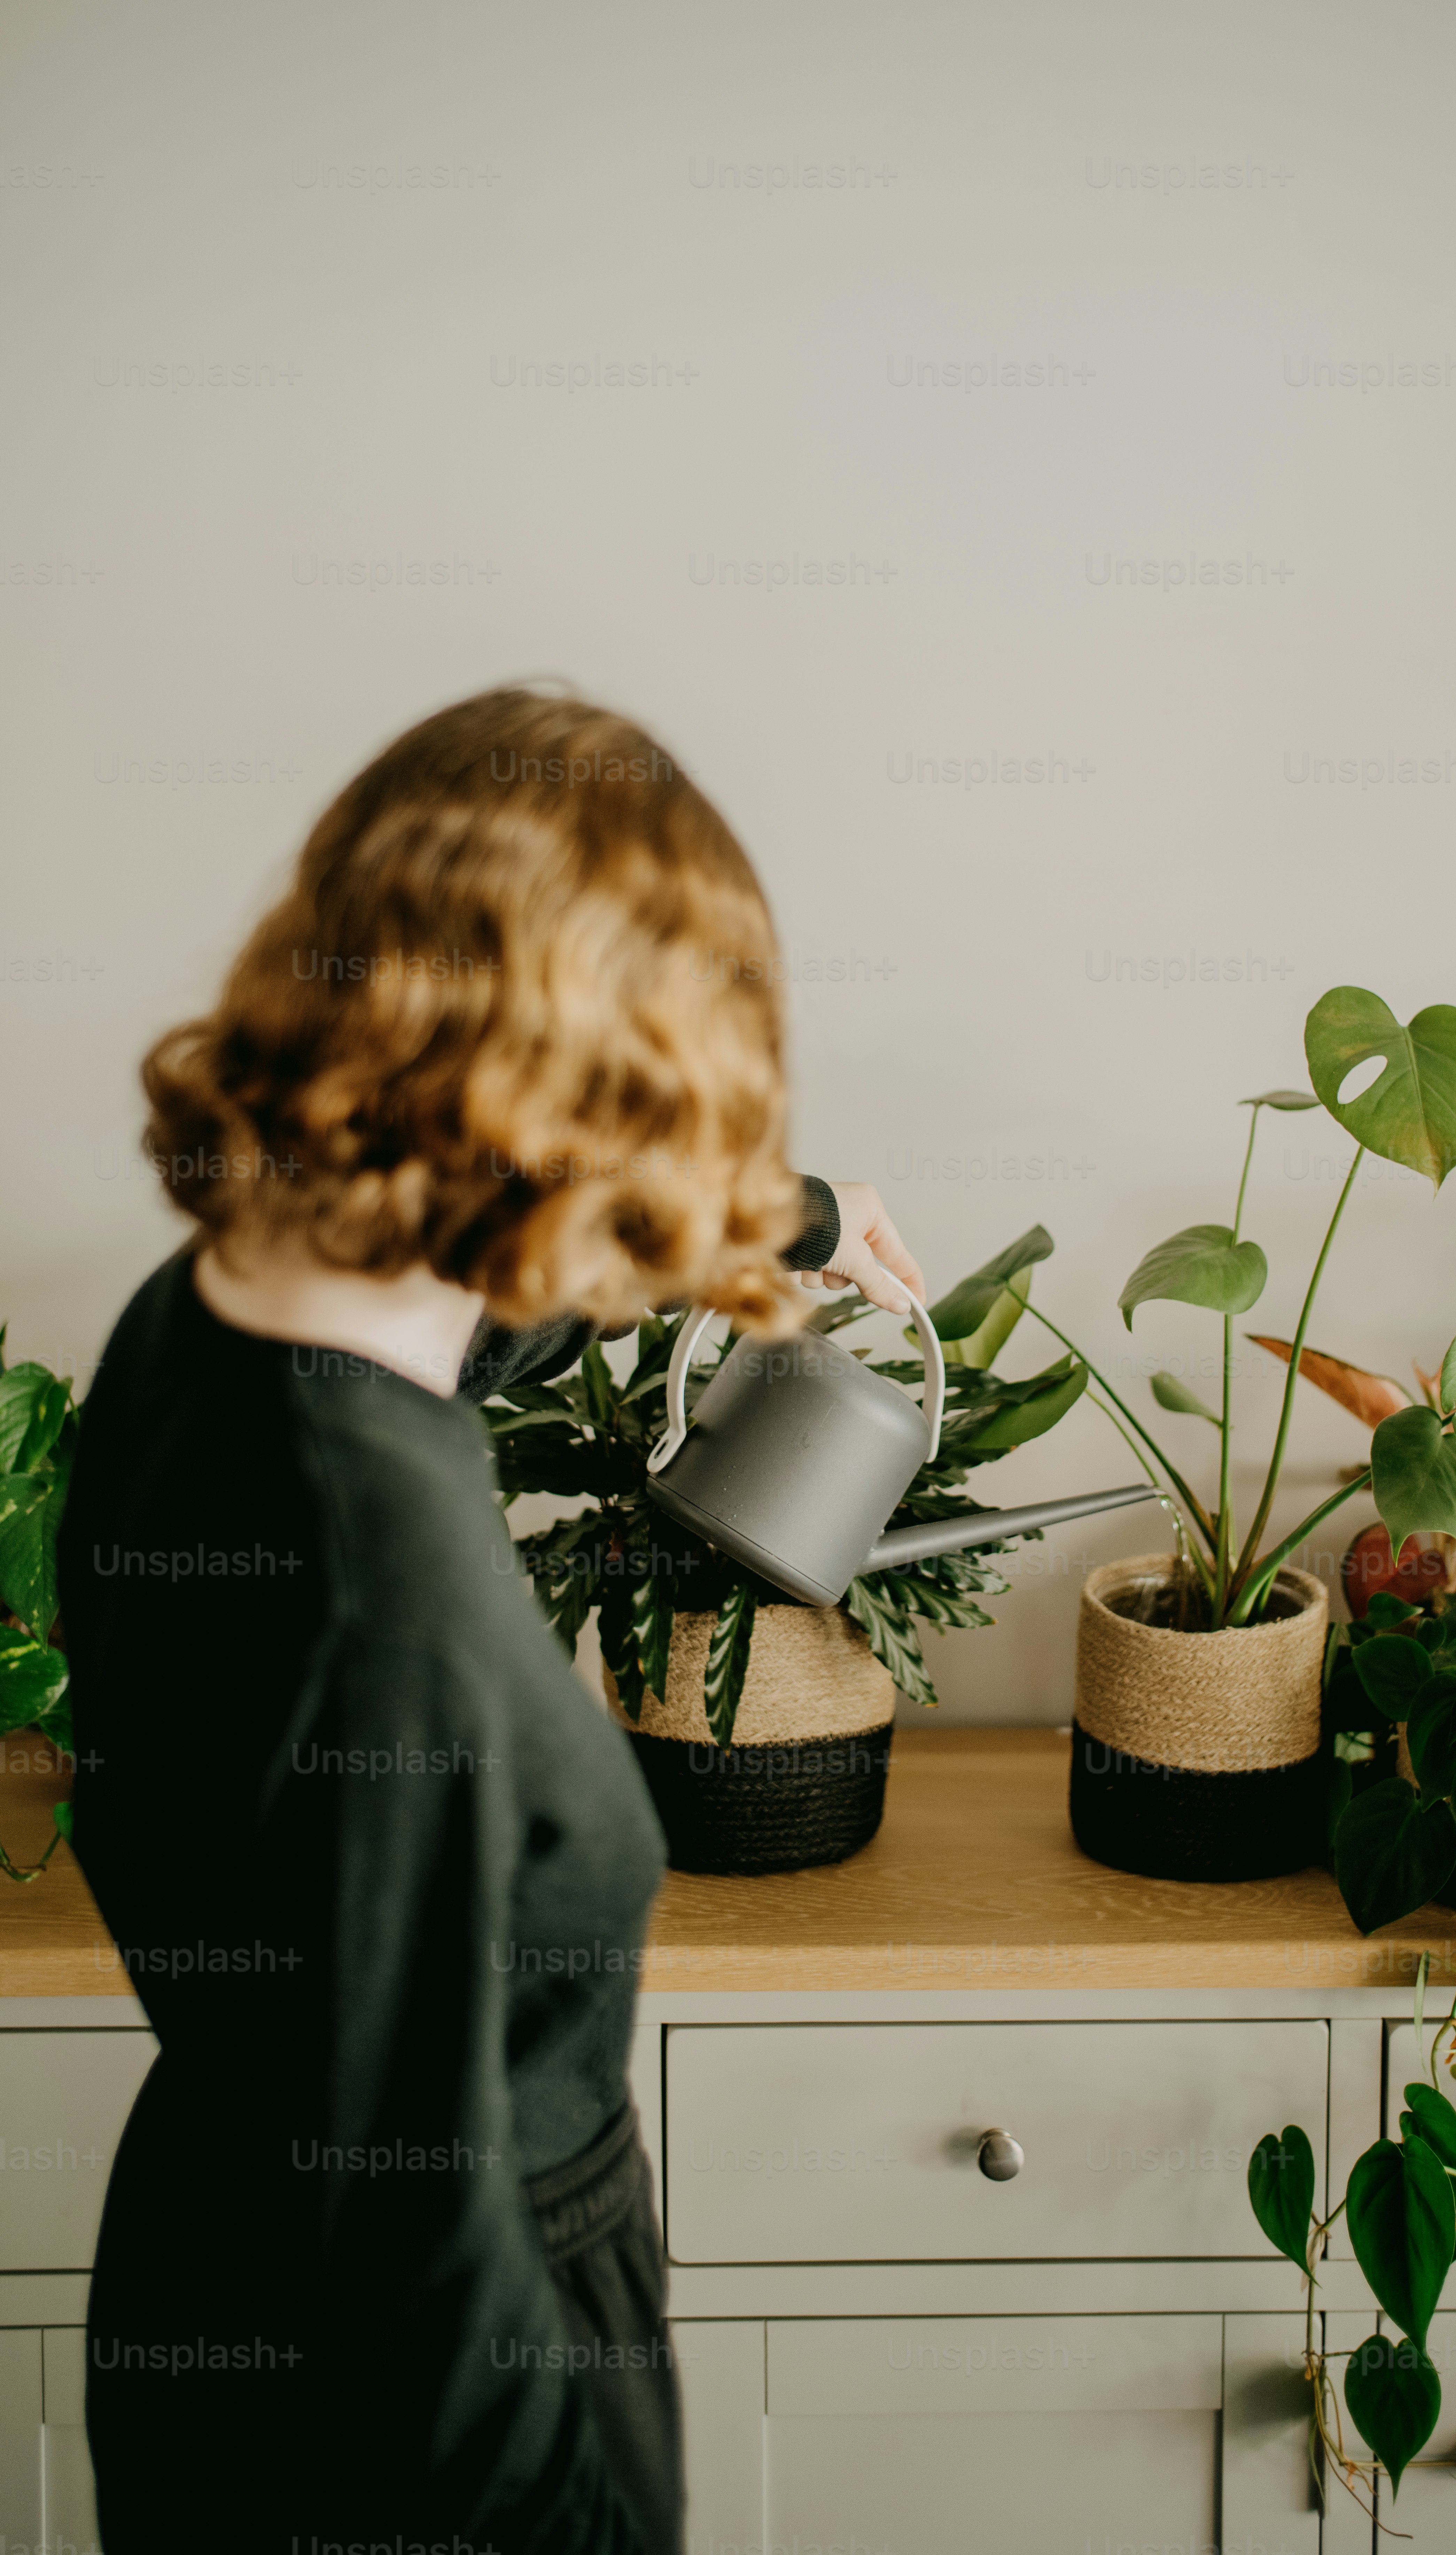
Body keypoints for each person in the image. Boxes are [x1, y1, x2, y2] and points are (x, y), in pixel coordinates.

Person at [58, 687, 923, 2554]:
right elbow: (412, 2292)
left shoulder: (221, 1314)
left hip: (214, 2286)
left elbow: (479, 1316)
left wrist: (781, 1218)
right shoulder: (380, 1609)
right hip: (427, 2424)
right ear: (576, 1102)